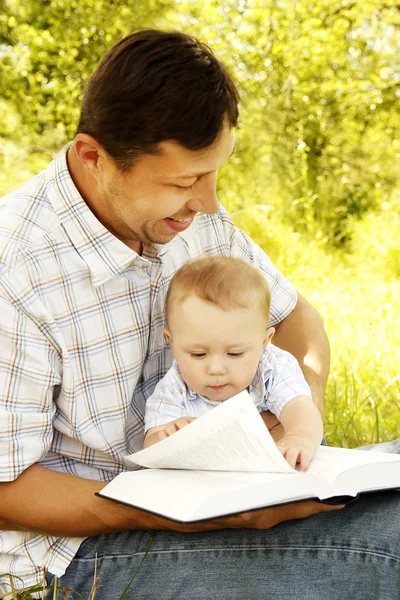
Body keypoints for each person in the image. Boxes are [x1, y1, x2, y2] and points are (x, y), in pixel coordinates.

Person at [0, 28, 398, 600]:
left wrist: (294, 422)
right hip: (78, 553)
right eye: (186, 180)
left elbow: (295, 321)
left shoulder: (190, 218)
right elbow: (6, 487)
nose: (209, 202)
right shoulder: (18, 271)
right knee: (389, 549)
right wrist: (180, 513)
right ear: (94, 156)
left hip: (222, 489)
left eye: (215, 172)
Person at [144, 256, 323, 471]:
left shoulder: (272, 368)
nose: (216, 369)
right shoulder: (174, 388)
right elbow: (151, 445)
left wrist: (299, 437)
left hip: (277, 472)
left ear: (263, 342)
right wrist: (167, 436)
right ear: (171, 342)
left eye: (235, 353)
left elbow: (301, 410)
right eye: (198, 354)